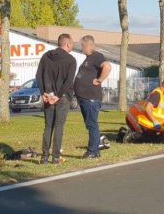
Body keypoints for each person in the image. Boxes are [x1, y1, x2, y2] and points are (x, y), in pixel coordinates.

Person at [35, 33, 77, 165]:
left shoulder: (46, 56)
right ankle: (56, 157)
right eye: (72, 44)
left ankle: (44, 157)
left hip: (48, 95)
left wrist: (43, 93)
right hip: (62, 97)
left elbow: (38, 76)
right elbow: (69, 81)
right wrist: (58, 96)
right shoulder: (71, 60)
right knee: (59, 126)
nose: (72, 47)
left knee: (48, 126)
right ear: (68, 44)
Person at [74, 35, 112, 159]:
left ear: (89, 45)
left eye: (83, 46)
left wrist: (99, 80)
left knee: (92, 124)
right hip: (84, 98)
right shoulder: (88, 58)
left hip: (91, 98)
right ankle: (97, 146)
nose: (82, 49)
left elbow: (107, 66)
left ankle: (92, 151)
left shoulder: (97, 56)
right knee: (90, 124)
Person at [121, 79, 164, 143]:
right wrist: (155, 121)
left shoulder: (163, 96)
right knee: (149, 139)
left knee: (160, 137)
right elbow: (148, 108)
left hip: (151, 123)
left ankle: (123, 133)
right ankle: (131, 136)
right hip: (143, 122)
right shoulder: (157, 94)